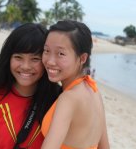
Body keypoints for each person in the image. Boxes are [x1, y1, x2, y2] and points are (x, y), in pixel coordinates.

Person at [0, 23, 61, 149]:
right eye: (18, 57)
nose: (25, 66)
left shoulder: (59, 101)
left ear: (46, 60)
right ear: (8, 58)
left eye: (35, 59)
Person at [41, 20, 110, 149]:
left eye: (60, 54)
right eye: (46, 51)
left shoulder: (69, 99)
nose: (50, 61)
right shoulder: (94, 91)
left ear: (82, 58)